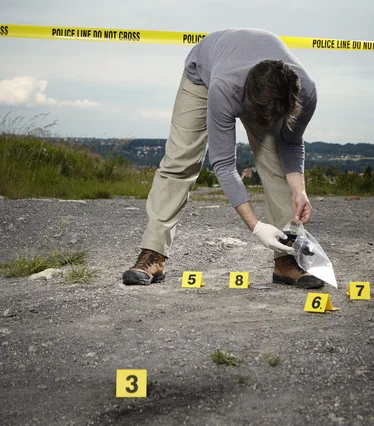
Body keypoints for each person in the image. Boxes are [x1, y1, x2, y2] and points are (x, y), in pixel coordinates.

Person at [123, 28, 324, 289]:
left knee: (274, 160)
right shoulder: (225, 88)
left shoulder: (305, 92)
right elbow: (224, 164)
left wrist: (300, 190)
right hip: (204, 73)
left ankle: (286, 258)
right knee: (180, 160)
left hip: (259, 84)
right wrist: (255, 226)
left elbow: (292, 143)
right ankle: (153, 254)